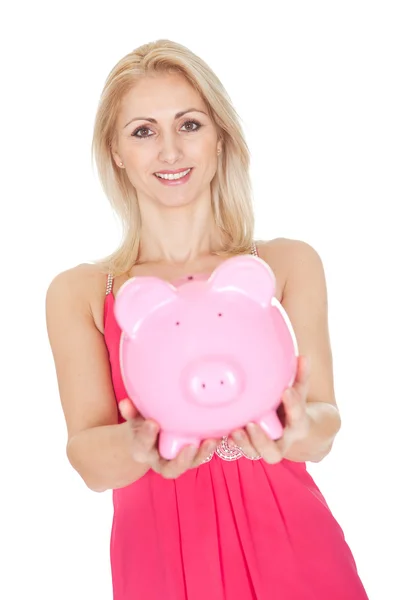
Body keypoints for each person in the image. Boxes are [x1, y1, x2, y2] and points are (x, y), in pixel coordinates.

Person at [45, 39, 369, 600]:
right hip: (162, 565)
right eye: (143, 131)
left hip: (296, 551)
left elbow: (325, 425)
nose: (170, 151)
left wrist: (297, 428)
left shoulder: (285, 265)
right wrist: (140, 447)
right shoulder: (79, 293)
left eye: (189, 124)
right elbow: (89, 462)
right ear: (116, 152)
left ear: (220, 137)